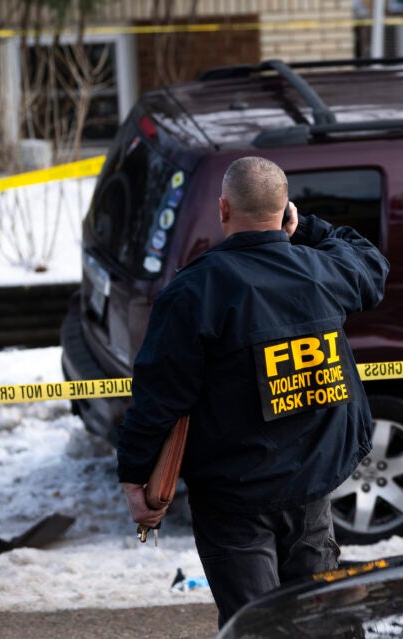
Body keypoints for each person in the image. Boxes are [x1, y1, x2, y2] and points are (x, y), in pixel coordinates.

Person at [116, 156, 389, 627]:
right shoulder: (321, 271)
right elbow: (368, 260)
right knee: (319, 620)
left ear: (222, 209)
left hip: (234, 499)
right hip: (312, 486)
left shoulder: (192, 292)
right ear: (285, 213)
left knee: (255, 626)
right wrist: (303, 228)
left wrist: (135, 475)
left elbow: (159, 398)